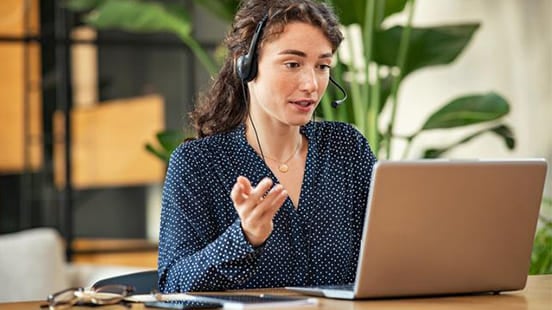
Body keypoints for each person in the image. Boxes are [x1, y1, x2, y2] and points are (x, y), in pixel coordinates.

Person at [157, 0, 377, 293]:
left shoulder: (347, 148)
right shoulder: (198, 164)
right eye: (292, 64)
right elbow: (173, 284)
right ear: (245, 65)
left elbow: (389, 256)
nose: (311, 84)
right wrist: (245, 237)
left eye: (322, 66)